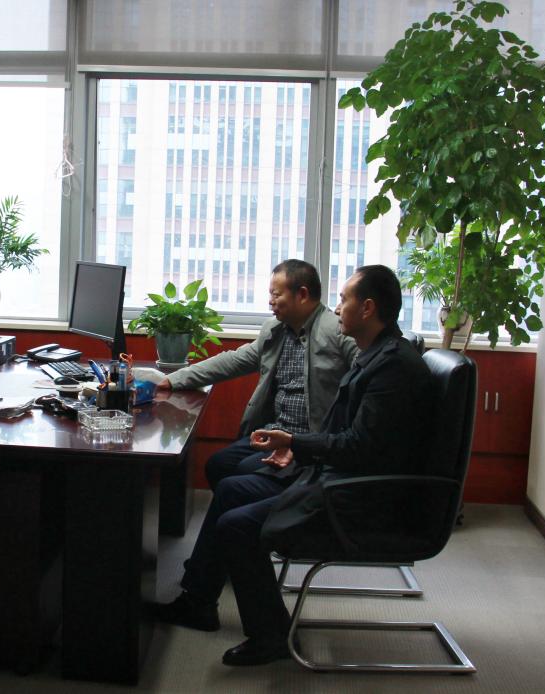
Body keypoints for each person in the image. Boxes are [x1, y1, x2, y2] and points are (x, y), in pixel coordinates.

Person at [153, 265, 433, 667]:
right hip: (331, 470)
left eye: (344, 300)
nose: (338, 308)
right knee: (228, 485)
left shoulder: (386, 366)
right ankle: (199, 598)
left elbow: (358, 444)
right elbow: (350, 433)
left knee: (236, 523)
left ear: (368, 309)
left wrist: (300, 446)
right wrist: (298, 449)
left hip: (353, 492)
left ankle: (269, 636)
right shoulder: (375, 356)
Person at [159, 259, 358, 489]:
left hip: (309, 441)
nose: (270, 301)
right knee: (218, 465)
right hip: (275, 431)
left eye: (276, 294)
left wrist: (313, 445)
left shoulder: (338, 330)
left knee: (242, 473)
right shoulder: (275, 331)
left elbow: (365, 378)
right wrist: (172, 380)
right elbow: (232, 361)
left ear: (302, 295)